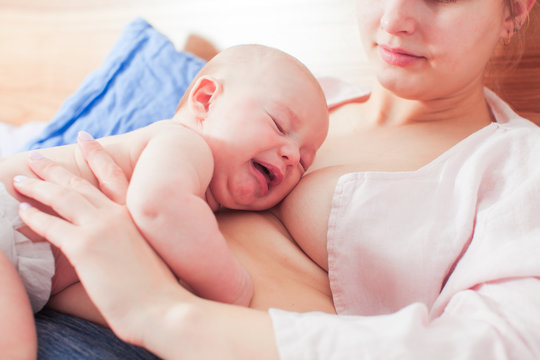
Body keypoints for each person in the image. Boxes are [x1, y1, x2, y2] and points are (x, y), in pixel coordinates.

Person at [13, 0, 540, 358]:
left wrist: (160, 310)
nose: (396, 18)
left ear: (515, 8)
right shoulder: (297, 95)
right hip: (37, 298)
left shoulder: (517, 170)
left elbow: (494, 346)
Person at [0, 44, 328, 358]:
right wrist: (233, 287)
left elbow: (75, 289)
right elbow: (156, 206)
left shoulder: (191, 203)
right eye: (279, 125)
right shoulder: (184, 142)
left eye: (304, 161)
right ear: (205, 99)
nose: (291, 154)